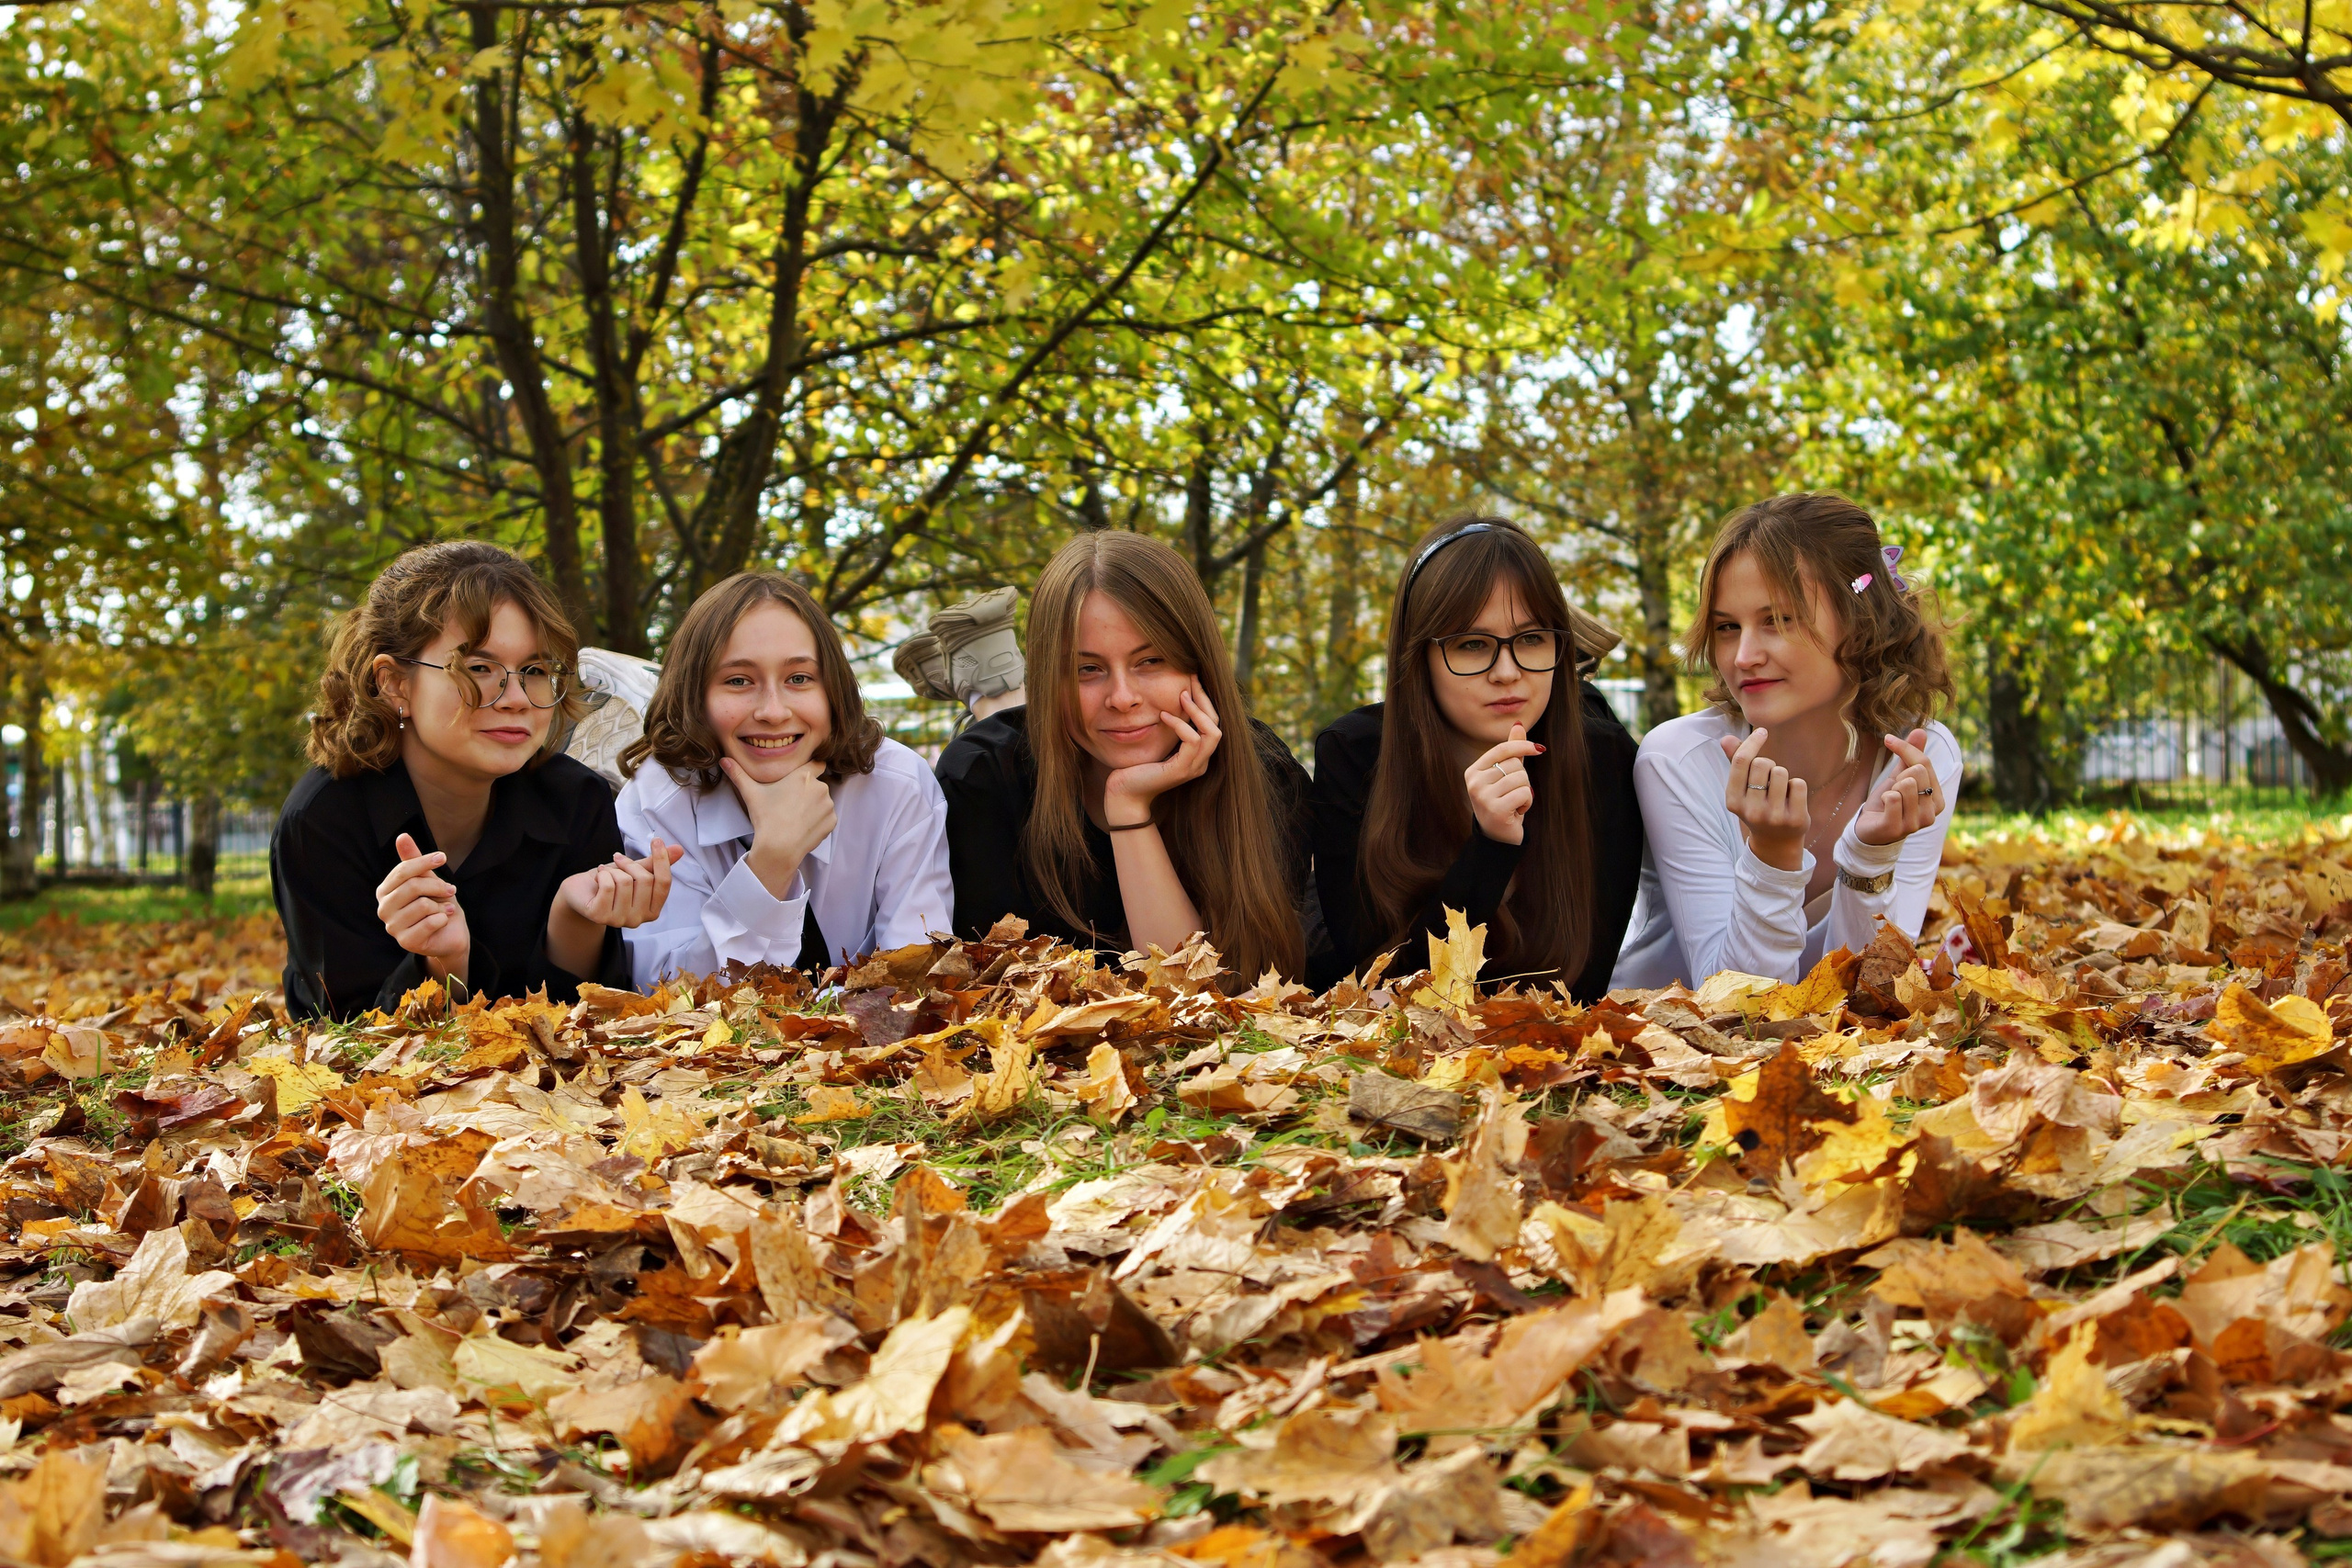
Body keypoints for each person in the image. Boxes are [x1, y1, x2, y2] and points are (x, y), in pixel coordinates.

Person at [273, 542, 682, 1019]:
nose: (515, 698)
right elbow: (345, 1041)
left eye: (533, 670)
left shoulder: (575, 800)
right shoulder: (324, 820)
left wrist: (574, 917)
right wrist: (443, 965)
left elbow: (584, 1025)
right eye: (478, 668)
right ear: (394, 683)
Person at [1611, 492, 1961, 988]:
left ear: (1860, 621)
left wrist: (1871, 858)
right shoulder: (1680, 760)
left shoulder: (1917, 755)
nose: (1744, 655)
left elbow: (1874, 992)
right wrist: (1771, 859)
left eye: (1778, 620)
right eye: (1728, 628)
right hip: (1657, 1050)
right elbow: (1737, 1006)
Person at [935, 531, 1309, 982]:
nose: (1123, 697)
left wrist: (1128, 807)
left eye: (1150, 661)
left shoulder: (1265, 772)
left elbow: (1195, 1001)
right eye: (1086, 669)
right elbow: (992, 999)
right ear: (1049, 680)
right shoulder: (984, 779)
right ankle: (987, 691)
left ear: (1199, 664)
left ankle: (981, 680)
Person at [1308, 517, 1644, 997]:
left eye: (1531, 639)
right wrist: (1490, 849)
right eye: (1471, 645)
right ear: (1418, 655)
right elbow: (1378, 989)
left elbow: (1584, 985)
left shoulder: (1603, 759)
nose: (1507, 672)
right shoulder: (1358, 755)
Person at [615, 573, 954, 985]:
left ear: (832, 690)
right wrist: (770, 865)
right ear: (695, 697)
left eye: (799, 679)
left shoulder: (897, 785)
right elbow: (669, 997)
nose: (773, 712)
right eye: (738, 681)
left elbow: (919, 977)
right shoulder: (656, 801)